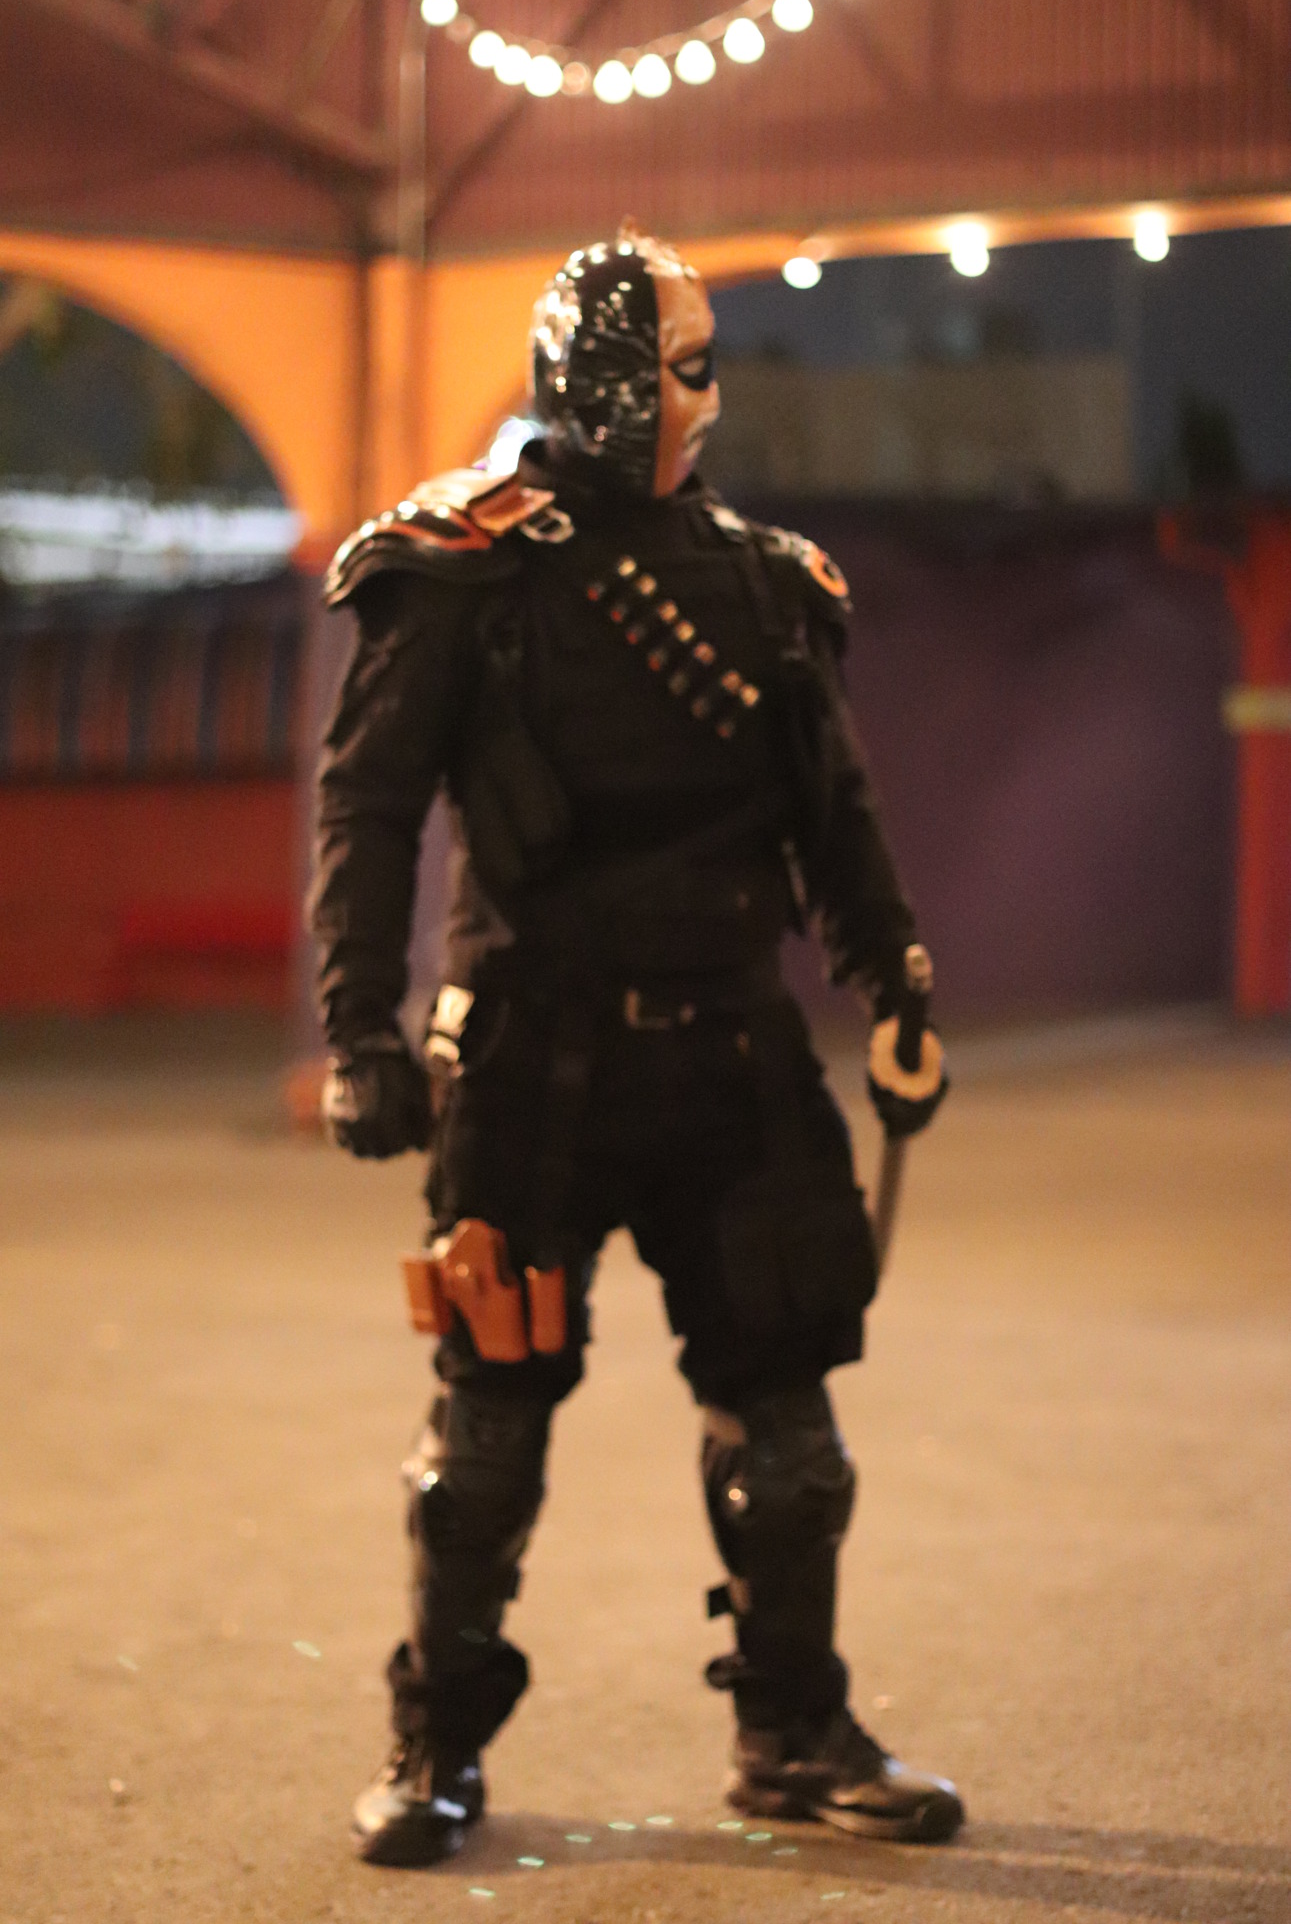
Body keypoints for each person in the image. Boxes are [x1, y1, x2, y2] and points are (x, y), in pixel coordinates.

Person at [311, 223, 961, 1868]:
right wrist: (358, 1031)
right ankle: (435, 1745)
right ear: (605, 381)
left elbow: (837, 812)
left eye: (696, 367)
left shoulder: (764, 580)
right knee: (484, 1440)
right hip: (528, 1068)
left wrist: (894, 986)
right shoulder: (462, 565)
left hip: (733, 1062)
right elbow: (369, 808)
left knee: (788, 1437)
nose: (697, 399)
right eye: (679, 368)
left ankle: (793, 1733)